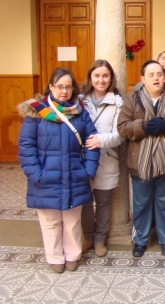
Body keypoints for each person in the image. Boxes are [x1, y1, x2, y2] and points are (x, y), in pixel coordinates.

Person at [18, 67, 99, 273]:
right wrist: (35, 174)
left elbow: (92, 143)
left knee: (72, 221)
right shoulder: (36, 112)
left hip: (75, 175)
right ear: (51, 87)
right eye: (59, 87)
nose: (64, 91)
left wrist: (87, 170)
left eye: (68, 87)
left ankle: (72, 255)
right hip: (45, 177)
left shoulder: (80, 113)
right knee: (50, 221)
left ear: (74, 89)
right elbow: (26, 147)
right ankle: (55, 257)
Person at [118, 60, 165, 257]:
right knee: (141, 204)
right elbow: (122, 127)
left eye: (159, 74)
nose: (156, 78)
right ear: (143, 78)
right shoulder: (131, 100)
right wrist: (142, 127)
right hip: (139, 163)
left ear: (164, 76)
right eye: (151, 74)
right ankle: (140, 240)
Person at [80, 59, 124, 257]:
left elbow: (119, 134)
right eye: (97, 75)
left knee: (104, 201)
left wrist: (99, 140)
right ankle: (88, 236)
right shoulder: (79, 100)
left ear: (111, 78)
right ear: (90, 77)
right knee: (86, 201)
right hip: (82, 159)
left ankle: (100, 239)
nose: (101, 79)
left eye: (105, 75)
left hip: (107, 158)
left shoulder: (118, 102)